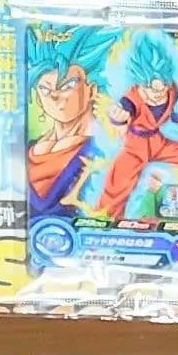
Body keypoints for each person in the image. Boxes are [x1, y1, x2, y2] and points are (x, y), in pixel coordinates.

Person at [97, 32, 178, 220]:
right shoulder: (131, 99)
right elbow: (122, 115)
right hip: (135, 146)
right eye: (152, 90)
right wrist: (117, 119)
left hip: (158, 142)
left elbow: (167, 113)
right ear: (141, 83)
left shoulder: (171, 91)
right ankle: (107, 219)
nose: (158, 95)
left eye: (162, 89)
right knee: (118, 182)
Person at [27, 24, 119, 218]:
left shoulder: (107, 149)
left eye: (67, 86)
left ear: (91, 89)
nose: (54, 96)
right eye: (45, 89)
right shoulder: (30, 148)